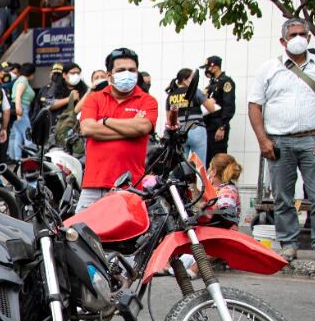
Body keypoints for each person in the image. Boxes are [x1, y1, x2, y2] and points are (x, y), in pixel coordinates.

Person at [248, 18, 315, 264]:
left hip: (313, 140)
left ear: (308, 38)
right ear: (283, 41)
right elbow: (254, 106)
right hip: (279, 142)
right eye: (293, 35)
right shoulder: (269, 68)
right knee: (283, 198)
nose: (298, 38)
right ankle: (288, 244)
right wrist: (262, 140)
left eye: (302, 34)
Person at [75, 47, 159, 210]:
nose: (127, 74)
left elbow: (142, 127)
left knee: (129, 228)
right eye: (121, 70)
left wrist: (105, 121)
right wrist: (130, 130)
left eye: (132, 70)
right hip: (95, 184)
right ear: (109, 76)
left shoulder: (147, 101)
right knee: (80, 226)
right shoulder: (94, 99)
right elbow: (88, 129)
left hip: (130, 186)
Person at [164, 69, 219, 163]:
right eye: (192, 78)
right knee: (199, 164)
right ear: (185, 80)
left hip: (179, 133)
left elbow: (170, 119)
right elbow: (211, 108)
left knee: (180, 164)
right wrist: (211, 101)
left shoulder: (171, 95)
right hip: (196, 129)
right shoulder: (195, 91)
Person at [201, 55, 236, 158]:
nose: (207, 70)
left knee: (218, 157)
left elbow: (229, 106)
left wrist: (222, 127)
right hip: (208, 125)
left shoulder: (226, 82)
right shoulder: (212, 83)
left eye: (208, 67)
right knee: (208, 158)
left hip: (218, 125)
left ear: (215, 67)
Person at [206, 153, 245, 227]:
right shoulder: (216, 187)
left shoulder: (227, 192)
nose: (208, 172)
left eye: (210, 169)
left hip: (221, 231)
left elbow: (225, 219)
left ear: (214, 171)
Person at [8, 62, 37, 160]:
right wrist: (18, 109)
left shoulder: (21, 80)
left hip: (21, 108)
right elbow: (18, 95)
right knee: (28, 134)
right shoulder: (23, 80)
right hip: (21, 109)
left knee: (18, 136)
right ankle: (32, 158)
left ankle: (16, 158)